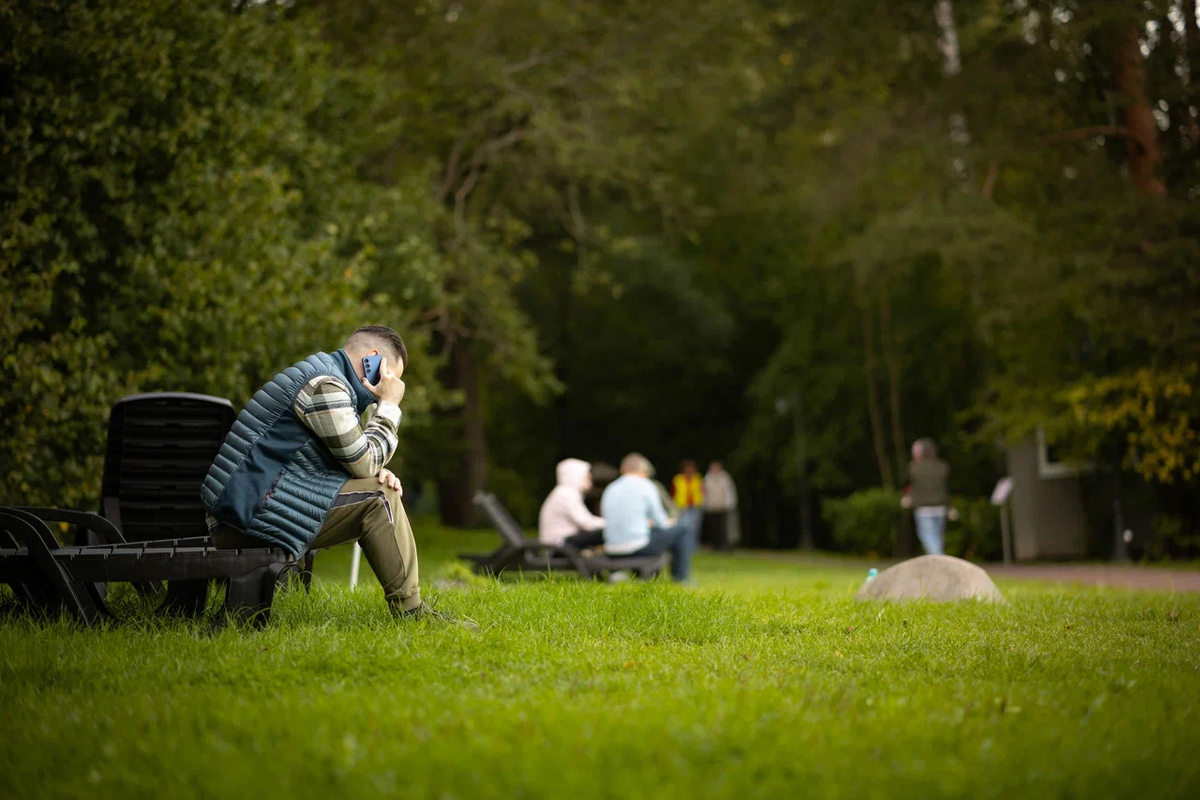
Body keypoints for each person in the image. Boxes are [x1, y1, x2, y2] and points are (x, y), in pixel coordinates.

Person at [201, 325, 474, 628]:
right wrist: (390, 407)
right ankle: (412, 614)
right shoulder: (326, 386)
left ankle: (412, 610)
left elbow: (348, 460)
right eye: (391, 376)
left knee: (378, 488)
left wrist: (373, 471)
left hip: (247, 509)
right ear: (373, 361)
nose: (392, 384)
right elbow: (363, 463)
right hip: (245, 518)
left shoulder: (325, 376)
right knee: (380, 498)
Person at [601, 453, 694, 582]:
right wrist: (669, 522)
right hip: (638, 549)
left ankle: (639, 575)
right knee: (683, 527)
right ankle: (681, 578)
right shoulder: (647, 485)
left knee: (644, 533)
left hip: (611, 548)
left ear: (623, 470)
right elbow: (661, 522)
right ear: (644, 471)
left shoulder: (610, 488)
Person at [901, 438, 955, 556]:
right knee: (937, 540)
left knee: (929, 539)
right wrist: (951, 507)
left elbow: (909, 485)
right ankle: (938, 563)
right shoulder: (942, 467)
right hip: (941, 508)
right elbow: (946, 489)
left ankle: (940, 561)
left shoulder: (914, 468)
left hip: (923, 509)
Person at [538, 458, 605, 551]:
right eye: (586, 475)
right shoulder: (567, 494)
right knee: (604, 533)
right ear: (576, 475)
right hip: (559, 546)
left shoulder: (563, 492)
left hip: (557, 544)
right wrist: (611, 524)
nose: (590, 477)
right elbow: (586, 523)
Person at [701, 461, 738, 551]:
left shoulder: (725, 478)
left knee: (723, 528)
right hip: (711, 507)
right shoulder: (707, 478)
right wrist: (704, 504)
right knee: (713, 528)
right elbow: (703, 492)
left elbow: (730, 492)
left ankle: (724, 545)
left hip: (723, 507)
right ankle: (713, 545)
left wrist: (729, 504)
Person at [671, 459, 704, 546]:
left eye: (692, 468)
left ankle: (694, 545)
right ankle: (684, 545)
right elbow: (673, 493)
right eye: (688, 468)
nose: (690, 470)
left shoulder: (698, 478)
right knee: (684, 526)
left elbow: (702, 491)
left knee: (696, 527)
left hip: (695, 506)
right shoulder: (678, 479)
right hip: (682, 506)